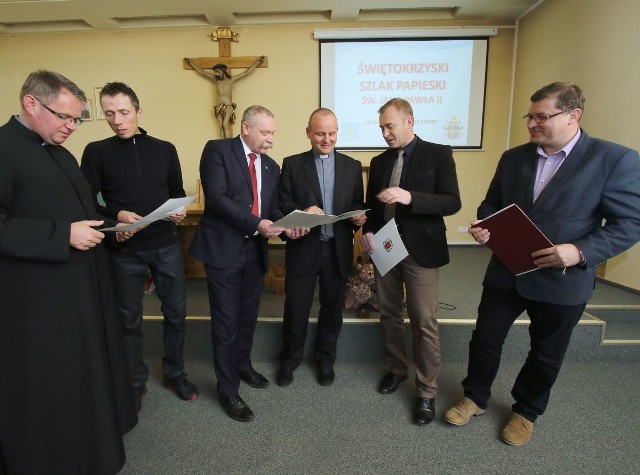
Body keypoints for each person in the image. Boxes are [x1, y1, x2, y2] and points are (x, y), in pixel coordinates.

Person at [444, 82, 640, 446]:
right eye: (529, 116)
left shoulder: (614, 159)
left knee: (546, 352)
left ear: (573, 116)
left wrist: (580, 252)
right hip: (507, 271)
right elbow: (492, 205)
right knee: (485, 339)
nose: (532, 124)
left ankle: (526, 411)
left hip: (563, 279)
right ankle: (474, 397)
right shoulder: (513, 157)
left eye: (542, 116)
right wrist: (484, 227)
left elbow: (630, 223)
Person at [0, 70, 137, 474]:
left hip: (80, 292)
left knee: (83, 379)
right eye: (65, 117)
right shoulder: (3, 148)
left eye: (77, 119)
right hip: (36, 302)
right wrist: (63, 235)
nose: (71, 127)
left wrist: (109, 224)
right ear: (30, 103)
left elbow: (77, 212)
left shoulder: (59, 152)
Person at [81, 82, 198, 413]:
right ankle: (134, 381)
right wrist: (114, 217)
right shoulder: (96, 151)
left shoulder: (164, 148)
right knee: (128, 320)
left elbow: (176, 191)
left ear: (138, 111)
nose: (117, 120)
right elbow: (86, 202)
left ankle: (175, 373)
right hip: (124, 249)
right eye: (109, 114)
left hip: (165, 244)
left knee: (176, 313)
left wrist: (179, 210)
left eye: (123, 112)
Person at [190, 105, 307, 422]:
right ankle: (227, 389)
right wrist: (258, 224)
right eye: (265, 132)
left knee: (246, 317)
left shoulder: (270, 166)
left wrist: (296, 221)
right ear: (246, 128)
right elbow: (216, 198)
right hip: (224, 250)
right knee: (226, 322)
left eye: (273, 133)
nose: (271, 139)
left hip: (254, 252)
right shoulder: (217, 151)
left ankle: (242, 365)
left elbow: (276, 206)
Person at [360, 98, 461, 426]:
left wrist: (410, 197)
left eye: (390, 126)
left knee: (423, 319)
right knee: (388, 313)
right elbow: (373, 206)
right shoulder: (378, 162)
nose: (385, 133)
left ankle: (427, 391)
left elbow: (451, 202)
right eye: (381, 128)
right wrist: (369, 231)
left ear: (409, 121)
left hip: (420, 249)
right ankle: (397, 369)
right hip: (385, 246)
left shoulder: (438, 153)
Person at [276, 108, 366, 387]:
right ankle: (290, 359)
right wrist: (302, 210)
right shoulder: (291, 164)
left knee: (331, 309)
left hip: (336, 250)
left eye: (331, 133)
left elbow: (355, 207)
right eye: (320, 134)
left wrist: (358, 217)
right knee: (296, 307)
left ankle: (325, 360)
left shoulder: (352, 166)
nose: (326, 139)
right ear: (308, 133)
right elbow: (281, 203)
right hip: (304, 248)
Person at [184, 56, 265, 139]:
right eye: (215, 72)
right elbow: (203, 73)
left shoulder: (231, 80)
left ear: (223, 71)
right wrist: (191, 64)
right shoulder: (216, 80)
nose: (216, 74)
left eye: (218, 72)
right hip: (218, 106)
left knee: (225, 124)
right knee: (220, 126)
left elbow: (246, 73)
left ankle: (228, 143)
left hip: (228, 105)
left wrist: (257, 62)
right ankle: (222, 143)